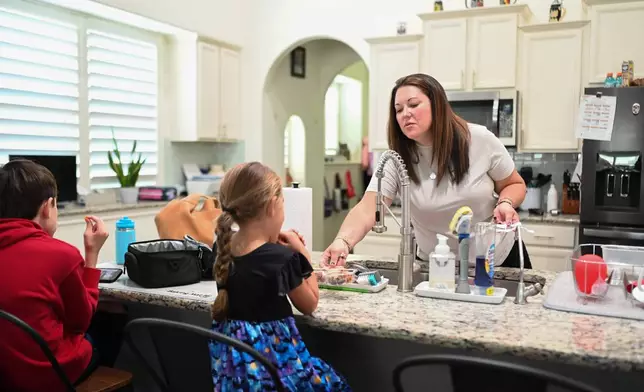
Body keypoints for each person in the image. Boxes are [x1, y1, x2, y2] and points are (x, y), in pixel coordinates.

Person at [322, 73, 530, 269]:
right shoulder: (396, 158)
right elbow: (368, 208)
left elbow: (515, 184)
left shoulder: (479, 140)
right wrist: (343, 241)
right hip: (436, 264)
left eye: (413, 105)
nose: (405, 114)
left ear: (437, 106)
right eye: (399, 109)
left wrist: (505, 202)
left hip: (496, 259)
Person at [209, 162, 351, 391]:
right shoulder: (282, 259)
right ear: (272, 206)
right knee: (334, 383)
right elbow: (310, 303)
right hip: (278, 374)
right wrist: (301, 254)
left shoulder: (222, 248)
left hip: (235, 377)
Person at [0, 159, 110, 391]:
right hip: (47, 373)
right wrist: (92, 254)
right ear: (48, 207)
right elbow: (81, 322)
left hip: (5, 374)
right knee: (110, 327)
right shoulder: (62, 255)